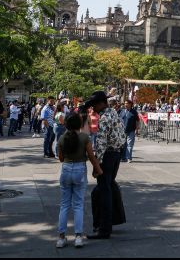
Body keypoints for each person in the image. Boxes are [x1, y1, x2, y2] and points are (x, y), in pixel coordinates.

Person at [56, 112, 103, 249]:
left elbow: (60, 158)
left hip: (65, 169)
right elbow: (91, 156)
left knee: (64, 205)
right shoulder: (84, 137)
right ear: (80, 124)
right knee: (78, 205)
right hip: (79, 170)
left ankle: (61, 237)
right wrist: (98, 169)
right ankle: (78, 237)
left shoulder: (62, 138)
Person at [85, 91, 126, 240]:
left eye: (94, 105)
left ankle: (104, 228)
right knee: (103, 189)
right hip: (116, 154)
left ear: (102, 103)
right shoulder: (114, 113)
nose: (93, 108)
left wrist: (97, 165)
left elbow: (101, 144)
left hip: (107, 156)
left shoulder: (104, 118)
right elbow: (123, 136)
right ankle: (112, 220)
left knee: (104, 191)